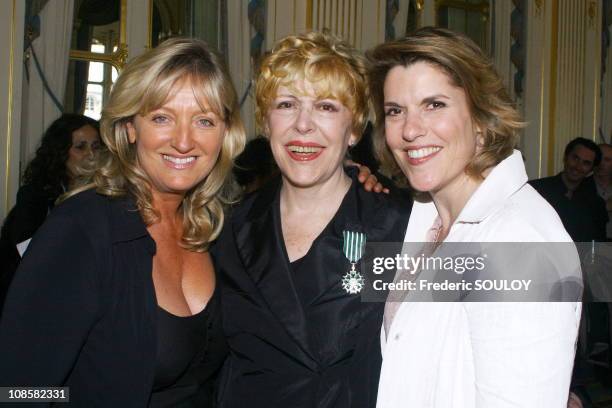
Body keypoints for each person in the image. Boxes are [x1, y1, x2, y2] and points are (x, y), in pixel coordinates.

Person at [0, 38, 244, 406]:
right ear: (130, 127)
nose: (183, 140)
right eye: (162, 117)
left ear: (225, 133)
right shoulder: (81, 231)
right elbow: (18, 391)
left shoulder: (214, 227)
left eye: (204, 120)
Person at [367, 27, 581, 407]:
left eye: (434, 104)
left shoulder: (520, 241)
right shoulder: (425, 216)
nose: (410, 130)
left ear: (481, 118)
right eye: (395, 111)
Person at [215, 31, 410, 408]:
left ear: (353, 129)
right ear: (266, 122)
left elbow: (531, 288)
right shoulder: (229, 227)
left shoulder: (397, 227)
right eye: (286, 105)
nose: (303, 125)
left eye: (326, 107)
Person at [0, 113, 100, 312]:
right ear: (61, 153)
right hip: (26, 300)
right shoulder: (35, 195)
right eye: (80, 147)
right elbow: (27, 251)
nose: (91, 155)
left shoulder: (102, 197)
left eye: (96, 147)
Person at [530, 138, 608, 242]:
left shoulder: (596, 205)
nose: (578, 166)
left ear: (591, 170)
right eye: (575, 158)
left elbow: (597, 247)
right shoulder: (535, 190)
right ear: (565, 157)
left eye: (586, 163)